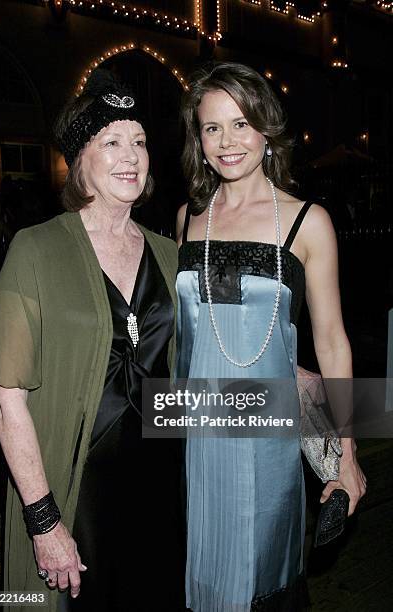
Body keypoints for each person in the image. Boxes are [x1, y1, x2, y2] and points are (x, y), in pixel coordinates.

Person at [0, 69, 185, 612]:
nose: (131, 155)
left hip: (164, 486)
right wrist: (44, 522)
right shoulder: (35, 250)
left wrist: (334, 410)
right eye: (112, 141)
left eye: (140, 142)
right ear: (81, 161)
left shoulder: (169, 254)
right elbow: (7, 401)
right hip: (77, 492)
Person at [176, 61, 366, 611]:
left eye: (241, 124)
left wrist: (346, 455)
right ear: (199, 139)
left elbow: (332, 342)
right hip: (195, 438)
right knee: (201, 578)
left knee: (264, 581)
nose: (227, 141)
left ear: (266, 130)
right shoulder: (188, 218)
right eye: (212, 127)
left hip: (267, 440)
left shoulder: (309, 222)